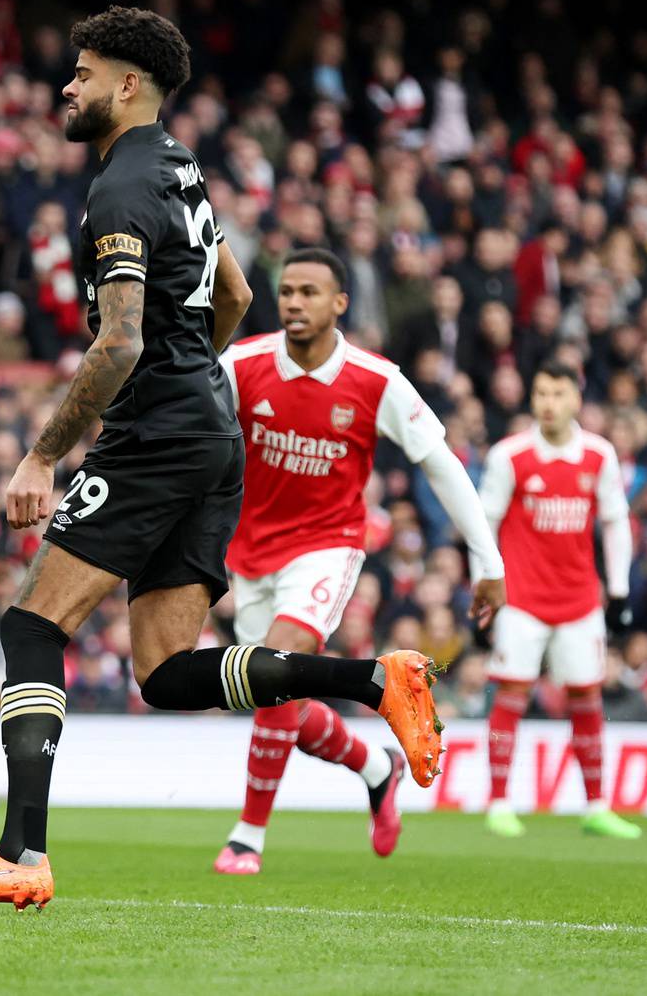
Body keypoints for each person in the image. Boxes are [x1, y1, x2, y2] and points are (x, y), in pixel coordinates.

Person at [0, 7, 445, 912]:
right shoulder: (180, 168)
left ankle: (20, 853)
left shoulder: (120, 188)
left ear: (128, 85)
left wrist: (43, 456)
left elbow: (118, 343)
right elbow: (233, 291)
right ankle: (375, 679)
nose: (65, 88)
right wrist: (196, 376)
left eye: (81, 74)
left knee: (33, 629)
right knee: (163, 672)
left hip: (157, 436)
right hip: (212, 433)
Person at [210, 249, 506, 875]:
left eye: (310, 292)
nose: (295, 302)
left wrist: (488, 559)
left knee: (273, 664)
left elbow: (442, 464)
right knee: (276, 694)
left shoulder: (377, 380)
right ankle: (376, 767)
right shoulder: (241, 365)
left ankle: (248, 835)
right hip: (251, 552)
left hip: (327, 544)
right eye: (287, 291)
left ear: (340, 303)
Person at [478, 359, 642, 840]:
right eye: (541, 393)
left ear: (577, 399)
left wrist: (618, 588)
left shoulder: (598, 455)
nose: (548, 403)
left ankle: (596, 806)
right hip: (522, 600)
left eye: (557, 394)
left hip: (578, 601)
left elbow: (615, 522)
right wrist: (485, 586)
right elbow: (483, 523)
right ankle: (500, 802)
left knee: (586, 696)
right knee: (511, 693)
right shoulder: (510, 456)